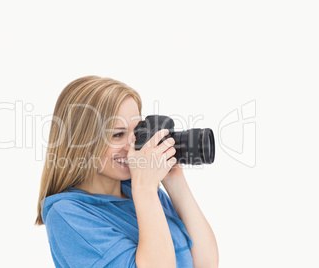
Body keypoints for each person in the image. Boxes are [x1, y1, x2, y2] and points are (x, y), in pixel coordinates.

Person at [35, 75, 219, 267]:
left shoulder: (137, 191)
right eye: (118, 135)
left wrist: (175, 181)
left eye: (137, 131)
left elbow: (205, 263)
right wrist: (145, 189)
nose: (133, 145)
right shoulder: (67, 214)